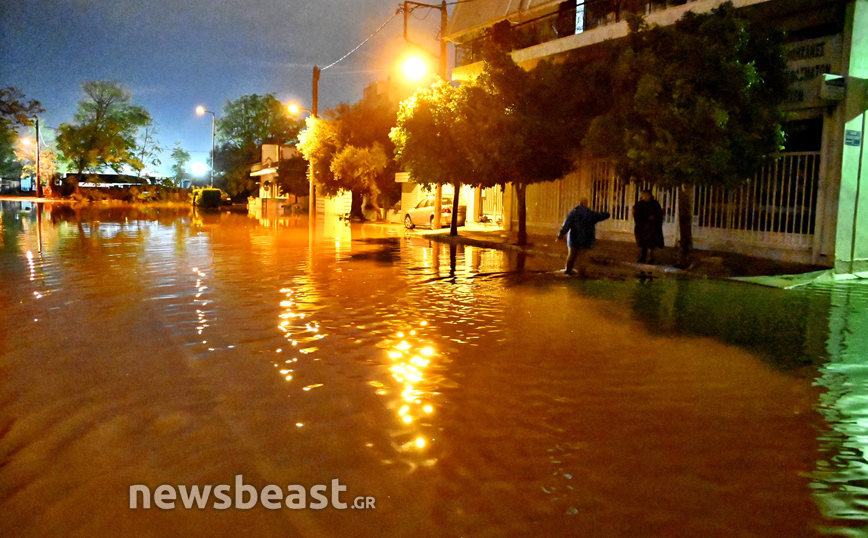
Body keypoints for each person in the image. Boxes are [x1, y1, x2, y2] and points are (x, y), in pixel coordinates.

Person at [556, 198, 610, 277]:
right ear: (586, 203)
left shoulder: (573, 213)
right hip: (586, 239)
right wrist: (607, 213)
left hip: (574, 238)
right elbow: (601, 216)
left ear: (579, 203)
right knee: (583, 257)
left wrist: (560, 236)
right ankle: (582, 273)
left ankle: (568, 270)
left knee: (572, 256)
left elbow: (566, 225)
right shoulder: (590, 214)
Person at [632, 189, 665, 264]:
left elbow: (658, 215)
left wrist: (654, 219)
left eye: (646, 195)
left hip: (651, 227)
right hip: (642, 226)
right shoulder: (640, 204)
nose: (645, 197)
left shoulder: (655, 204)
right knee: (642, 243)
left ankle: (651, 258)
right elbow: (635, 211)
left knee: (651, 244)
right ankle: (642, 257)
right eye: (644, 195)